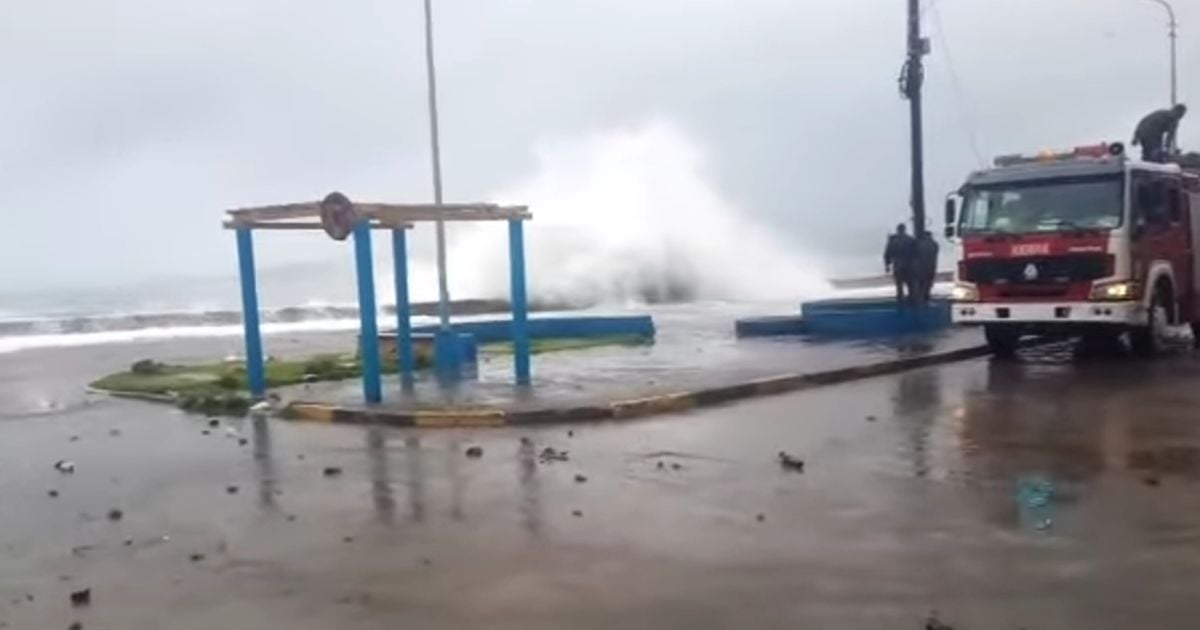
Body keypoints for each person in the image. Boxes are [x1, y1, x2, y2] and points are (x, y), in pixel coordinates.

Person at [884, 223, 917, 307]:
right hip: (909, 266)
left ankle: (901, 302)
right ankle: (912, 302)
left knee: (899, 286)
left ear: (898, 230)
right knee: (911, 285)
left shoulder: (893, 241)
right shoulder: (910, 240)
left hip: (898, 266)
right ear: (904, 229)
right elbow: (916, 253)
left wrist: (887, 265)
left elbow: (888, 254)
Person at [914, 230, 940, 305]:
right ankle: (926, 297)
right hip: (931, 266)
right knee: (928, 283)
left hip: (921, 267)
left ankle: (919, 297)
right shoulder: (934, 244)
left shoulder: (919, 244)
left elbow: (915, 254)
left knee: (921, 283)